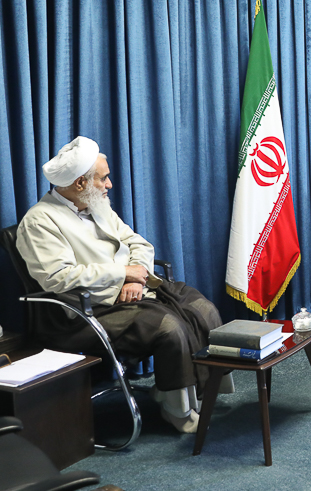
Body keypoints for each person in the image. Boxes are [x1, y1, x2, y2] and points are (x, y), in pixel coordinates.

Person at [16, 137, 230, 434]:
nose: (110, 184)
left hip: (132, 289)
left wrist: (134, 276)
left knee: (201, 308)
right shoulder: (39, 221)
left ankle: (199, 390)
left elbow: (138, 243)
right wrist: (121, 274)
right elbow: (57, 277)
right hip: (84, 311)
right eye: (103, 178)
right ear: (80, 183)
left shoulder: (97, 203)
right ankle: (177, 409)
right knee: (168, 327)